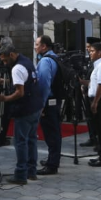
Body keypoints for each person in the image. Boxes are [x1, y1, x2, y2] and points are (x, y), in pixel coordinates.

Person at [0, 43, 42, 185]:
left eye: (4, 60)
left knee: (20, 141)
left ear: (11, 55)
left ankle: (21, 174)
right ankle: (31, 171)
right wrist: (7, 80)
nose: (4, 63)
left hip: (24, 109)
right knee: (32, 139)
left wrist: (4, 99)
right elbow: (24, 80)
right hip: (35, 107)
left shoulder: (16, 68)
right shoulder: (26, 61)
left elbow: (19, 92)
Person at [35, 35, 62, 176]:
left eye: (37, 44)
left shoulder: (45, 61)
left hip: (49, 102)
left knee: (51, 133)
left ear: (44, 46)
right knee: (54, 131)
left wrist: (41, 104)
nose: (35, 46)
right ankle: (53, 159)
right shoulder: (54, 57)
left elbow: (44, 84)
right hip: (54, 101)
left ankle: (52, 165)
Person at [80, 36, 101, 149]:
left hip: (95, 93)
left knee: (95, 118)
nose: (87, 50)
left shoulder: (99, 62)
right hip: (88, 91)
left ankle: (97, 139)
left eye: (89, 47)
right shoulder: (90, 60)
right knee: (89, 117)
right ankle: (92, 137)